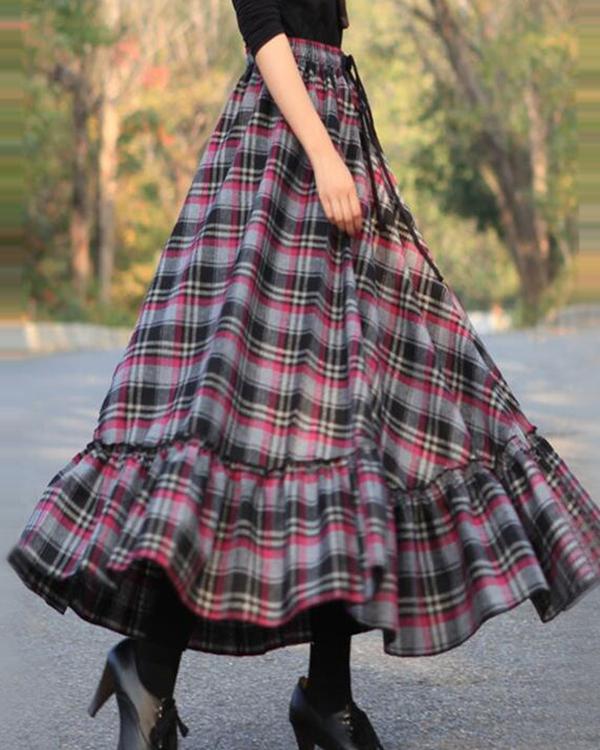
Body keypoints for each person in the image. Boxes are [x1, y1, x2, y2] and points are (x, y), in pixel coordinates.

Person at [6, 2, 600, 749]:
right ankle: (156, 670)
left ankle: (321, 693)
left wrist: (335, 150)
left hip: (335, 131)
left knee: (356, 430)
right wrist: (322, 155)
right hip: (290, 151)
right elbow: (263, 26)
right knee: (241, 424)